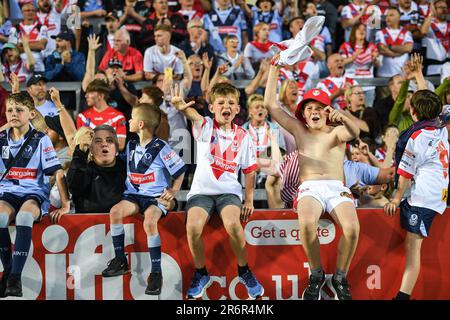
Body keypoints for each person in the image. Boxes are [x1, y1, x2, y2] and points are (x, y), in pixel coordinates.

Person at [265, 60, 360, 300]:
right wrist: (275, 69)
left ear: (329, 112)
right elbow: (270, 105)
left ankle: (340, 276)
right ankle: (316, 274)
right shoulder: (299, 130)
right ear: (302, 115)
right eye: (309, 108)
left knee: (351, 229)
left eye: (320, 107)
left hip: (336, 187)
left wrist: (345, 118)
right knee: (306, 223)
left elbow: (355, 132)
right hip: (309, 187)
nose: (315, 111)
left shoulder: (336, 130)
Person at [170, 82, 264, 299]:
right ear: (212, 108)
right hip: (201, 192)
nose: (226, 106)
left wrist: (249, 200)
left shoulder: (244, 135)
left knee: (233, 224)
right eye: (221, 102)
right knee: (193, 227)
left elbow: (250, 171)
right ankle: (201, 273)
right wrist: (182, 107)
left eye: (231, 103)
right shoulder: (206, 127)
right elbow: (195, 116)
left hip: (229, 192)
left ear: (238, 109)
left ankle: (244, 271)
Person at [101, 103, 187, 296]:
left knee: (150, 221)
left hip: (154, 198)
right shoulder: (131, 144)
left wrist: (173, 190)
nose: (128, 120)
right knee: (115, 212)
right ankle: (120, 259)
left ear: (140, 124)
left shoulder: (161, 146)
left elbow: (180, 170)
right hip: (132, 196)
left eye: (131, 117)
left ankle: (156, 273)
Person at [0, 92, 70, 297]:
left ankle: (14, 277)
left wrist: (65, 204)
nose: (13, 114)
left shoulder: (41, 139)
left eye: (19, 110)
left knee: (23, 217)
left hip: (33, 193)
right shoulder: (1, 138)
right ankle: (9, 271)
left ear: (31, 114)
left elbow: (57, 172)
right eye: (10, 110)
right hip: (7, 192)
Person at [384, 89, 449, 300]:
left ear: (413, 111)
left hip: (423, 199)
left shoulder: (416, 137)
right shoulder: (442, 128)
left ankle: (402, 297)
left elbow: (404, 175)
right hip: (439, 194)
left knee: (413, 250)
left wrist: (395, 198)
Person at [242, 94, 285, 208]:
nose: (260, 109)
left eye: (263, 107)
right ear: (250, 111)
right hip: (248, 170)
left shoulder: (275, 129)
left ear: (267, 112)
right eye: (257, 107)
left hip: (269, 170)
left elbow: (282, 154)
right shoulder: (242, 130)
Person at [76, 79, 127, 151]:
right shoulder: (82, 117)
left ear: (101, 95)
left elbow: (121, 145)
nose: (86, 96)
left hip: (110, 160)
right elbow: (79, 144)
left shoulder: (118, 117)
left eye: (90, 92)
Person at [375, 7, 413, 78]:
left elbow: (408, 48)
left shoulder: (407, 33)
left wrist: (389, 47)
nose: (388, 18)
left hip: (402, 76)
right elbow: (382, 49)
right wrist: (400, 52)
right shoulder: (379, 33)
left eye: (391, 15)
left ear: (399, 18)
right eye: (387, 15)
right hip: (384, 75)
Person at [420, 0, 450, 76]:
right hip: (433, 68)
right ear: (434, 9)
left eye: (445, 7)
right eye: (440, 7)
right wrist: (431, 14)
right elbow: (423, 32)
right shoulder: (430, 24)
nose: (444, 10)